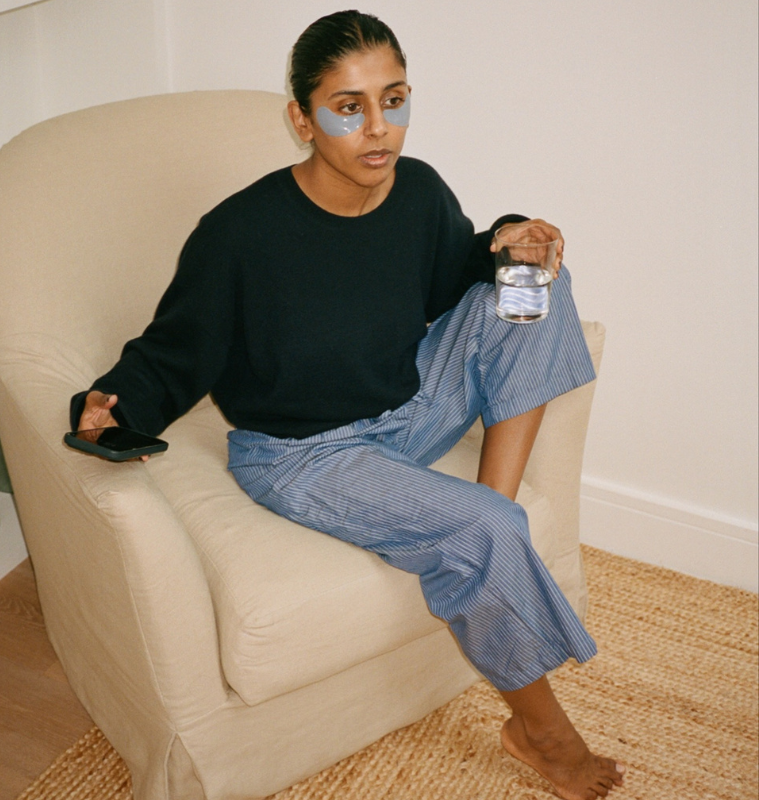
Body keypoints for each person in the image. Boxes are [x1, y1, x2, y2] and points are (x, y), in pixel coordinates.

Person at [71, 10, 625, 800]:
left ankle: (480, 520)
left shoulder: (419, 190)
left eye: (393, 101)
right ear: (302, 118)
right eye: (348, 106)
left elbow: (452, 277)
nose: (378, 129)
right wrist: (113, 407)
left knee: (531, 285)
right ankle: (541, 730)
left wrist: (508, 239)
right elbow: (175, 350)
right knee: (487, 533)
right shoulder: (239, 235)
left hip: (408, 404)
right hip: (305, 455)